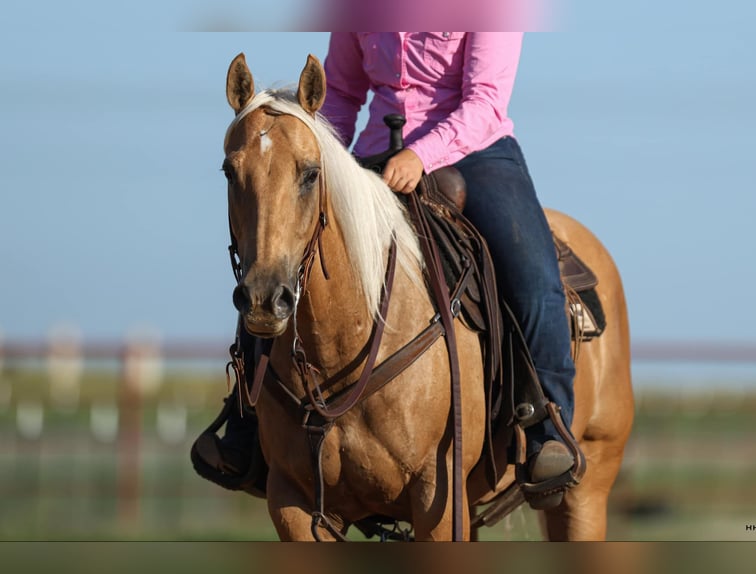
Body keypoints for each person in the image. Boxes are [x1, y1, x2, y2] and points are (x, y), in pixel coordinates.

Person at [192, 32, 579, 508]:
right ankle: (249, 424)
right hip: (373, 155)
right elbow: (344, 95)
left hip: (474, 151)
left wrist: (421, 155)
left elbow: (484, 101)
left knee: (534, 276)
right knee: (279, 259)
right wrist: (306, 155)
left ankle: (546, 428)